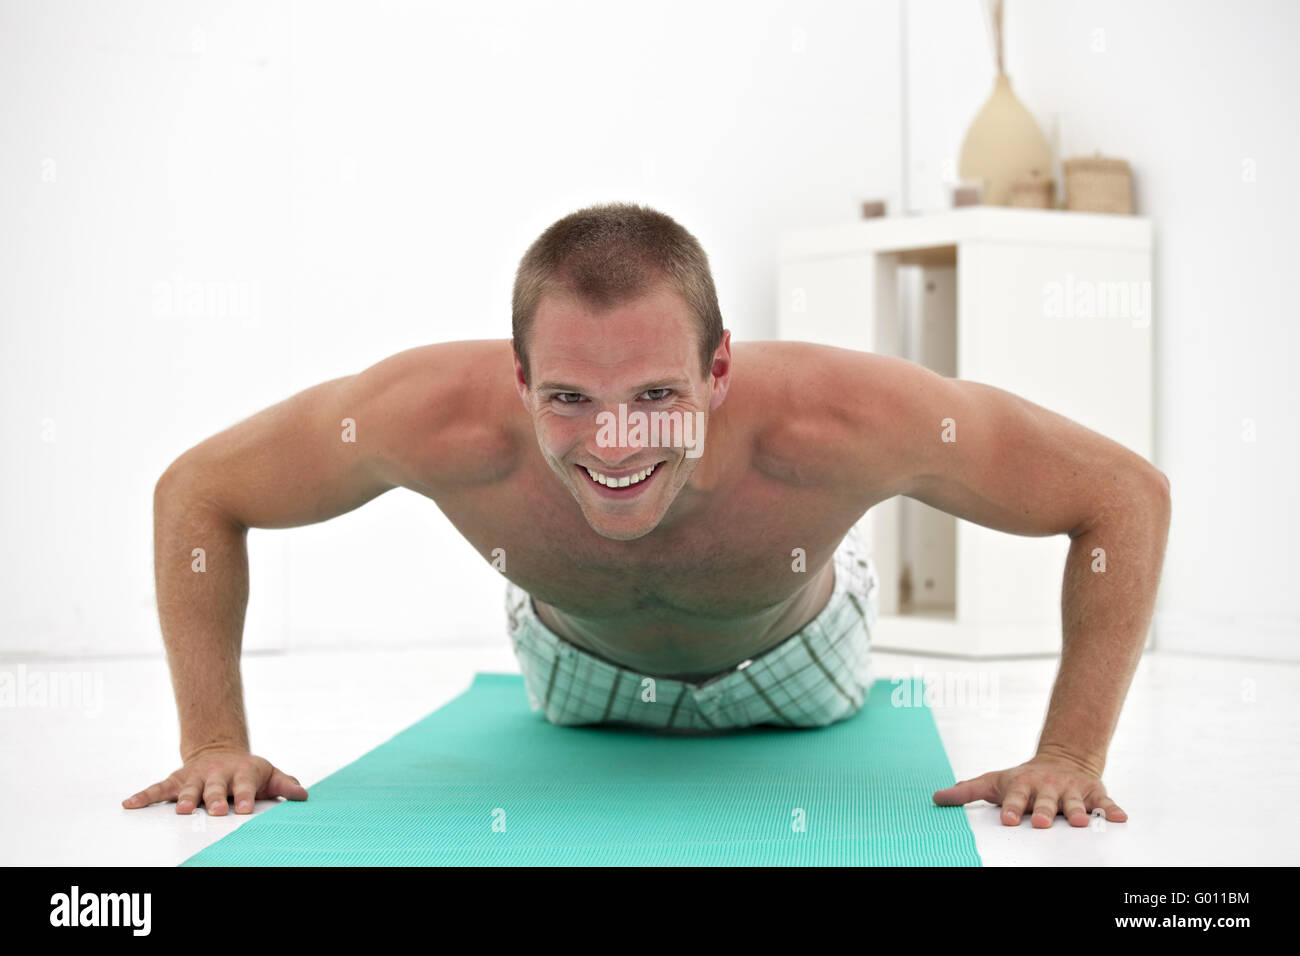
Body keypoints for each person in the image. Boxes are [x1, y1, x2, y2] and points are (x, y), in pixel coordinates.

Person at [123, 201, 1170, 829]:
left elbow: (1119, 493)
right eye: (569, 399)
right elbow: (200, 492)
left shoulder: (846, 416)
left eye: (657, 397)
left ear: (718, 369)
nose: (615, 444)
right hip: (571, 667)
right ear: (520, 374)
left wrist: (1069, 757)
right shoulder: (424, 417)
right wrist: (214, 738)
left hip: (799, 662)